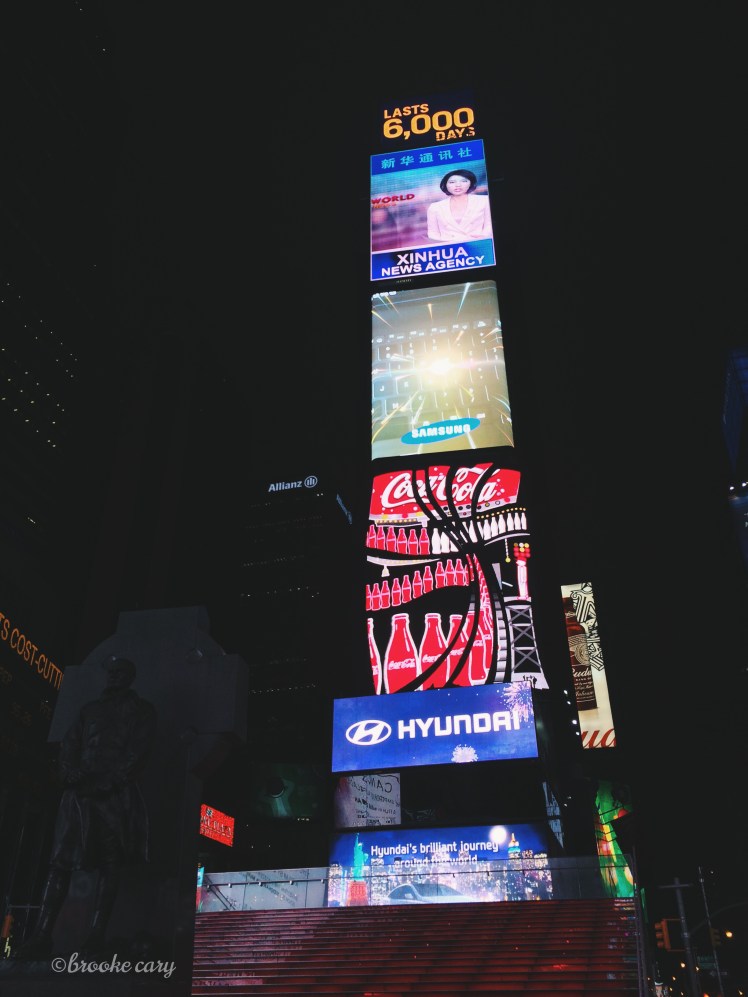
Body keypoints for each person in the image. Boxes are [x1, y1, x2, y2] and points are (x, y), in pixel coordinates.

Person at [16, 655, 156, 958]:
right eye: (111, 671)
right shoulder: (89, 710)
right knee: (59, 862)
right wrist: (68, 772)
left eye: (120, 672)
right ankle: (42, 935)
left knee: (110, 863)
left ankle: (96, 936)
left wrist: (113, 780)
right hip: (79, 796)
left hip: (113, 797)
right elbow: (70, 745)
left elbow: (138, 750)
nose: (114, 676)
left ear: (130, 677)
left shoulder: (141, 710)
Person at [426, 168, 493, 243]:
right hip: (450, 248)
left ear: (471, 183)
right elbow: (433, 233)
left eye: (464, 181)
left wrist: (482, 238)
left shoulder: (484, 200)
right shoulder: (435, 207)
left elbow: (489, 225)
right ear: (445, 185)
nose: (458, 185)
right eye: (452, 182)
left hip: (478, 245)